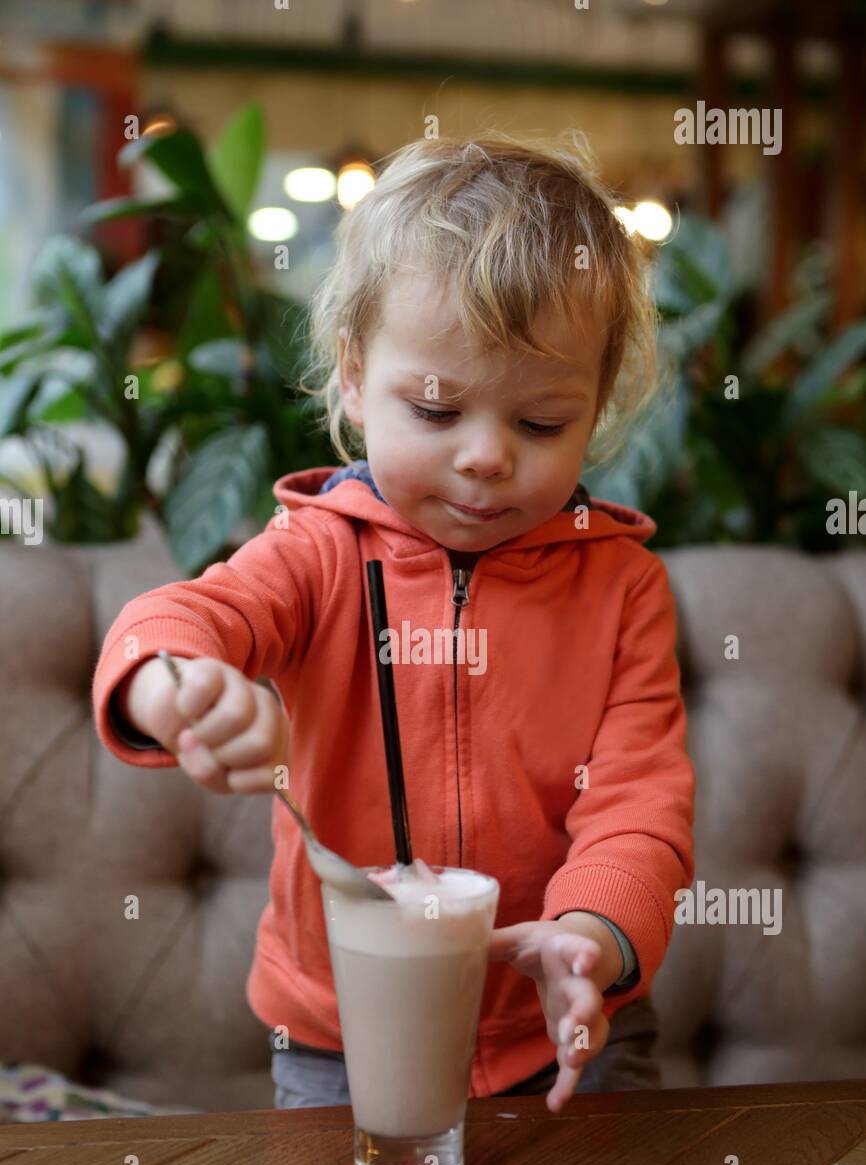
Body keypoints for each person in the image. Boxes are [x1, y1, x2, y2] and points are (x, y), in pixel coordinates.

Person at [91, 132, 696, 1115]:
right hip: (341, 1032)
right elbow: (181, 618)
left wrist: (592, 933)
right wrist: (177, 685)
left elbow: (638, 805)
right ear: (352, 378)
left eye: (541, 422)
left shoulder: (621, 589)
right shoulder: (316, 554)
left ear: (596, 409)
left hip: (564, 1023)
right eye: (432, 407)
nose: (486, 456)